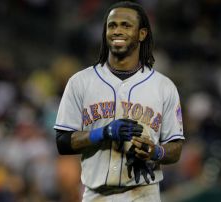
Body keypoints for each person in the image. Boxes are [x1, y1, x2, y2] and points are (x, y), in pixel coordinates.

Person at [54, 1, 184, 201]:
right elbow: (62, 142)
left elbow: (175, 149)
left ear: (142, 34)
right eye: (112, 25)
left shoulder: (163, 87)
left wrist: (155, 151)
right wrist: (103, 133)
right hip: (96, 195)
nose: (117, 30)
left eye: (126, 25)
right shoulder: (80, 82)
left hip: (144, 194)